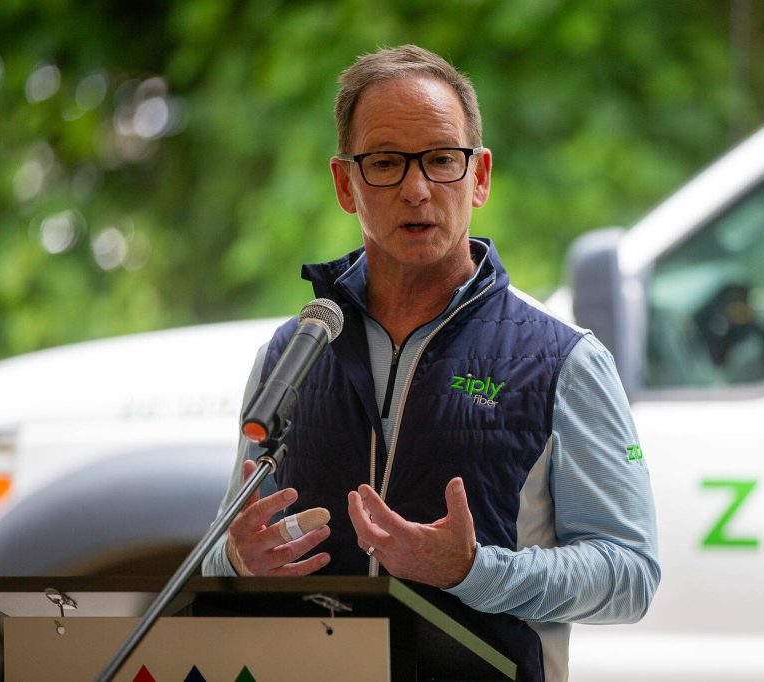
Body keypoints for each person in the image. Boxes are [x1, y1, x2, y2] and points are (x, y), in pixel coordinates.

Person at [203, 44, 659, 681]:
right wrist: (238, 559)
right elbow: (220, 556)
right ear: (345, 183)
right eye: (385, 162)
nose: (416, 189)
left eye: (442, 160)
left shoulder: (565, 361)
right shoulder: (292, 354)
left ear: (480, 176)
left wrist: (476, 572)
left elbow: (631, 574)